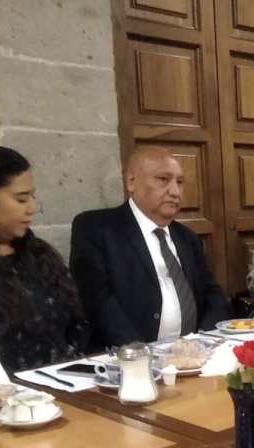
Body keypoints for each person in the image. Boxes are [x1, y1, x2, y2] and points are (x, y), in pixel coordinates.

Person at [70, 146, 230, 349]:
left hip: (192, 354)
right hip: (130, 357)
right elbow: (97, 302)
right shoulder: (97, 229)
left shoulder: (187, 238)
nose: (175, 192)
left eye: (180, 182)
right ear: (131, 181)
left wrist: (202, 342)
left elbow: (213, 294)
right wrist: (141, 354)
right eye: (163, 179)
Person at [0, 144, 89, 373]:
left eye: (32, 196)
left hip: (62, 385)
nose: (32, 208)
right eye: (21, 199)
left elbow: (76, 326)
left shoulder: (40, 255)